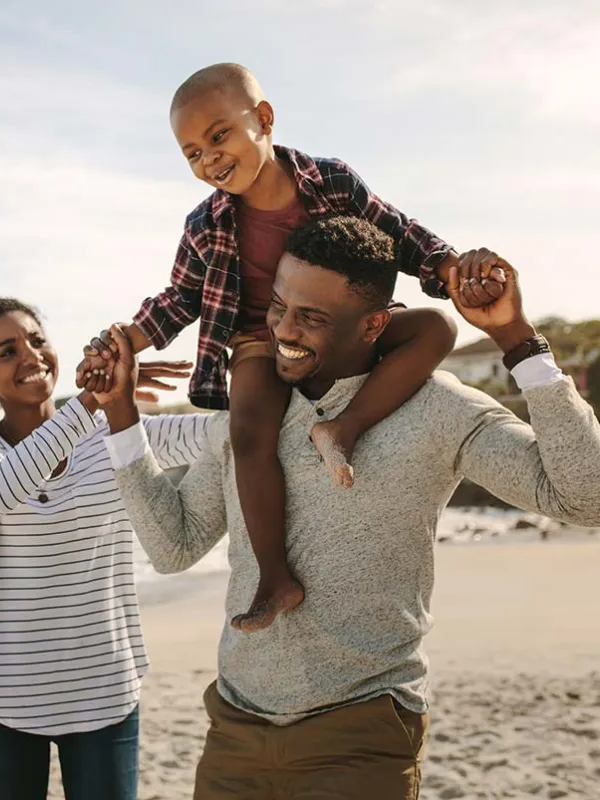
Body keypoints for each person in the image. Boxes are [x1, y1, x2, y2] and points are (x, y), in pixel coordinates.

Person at [94, 216, 600, 800]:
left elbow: (585, 496)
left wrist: (516, 339)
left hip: (363, 732)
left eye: (311, 318)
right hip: (236, 729)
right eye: (278, 306)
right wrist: (121, 419)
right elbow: (174, 546)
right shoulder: (249, 416)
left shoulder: (438, 411)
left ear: (374, 325)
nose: (283, 330)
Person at [77, 62, 504, 632]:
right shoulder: (205, 224)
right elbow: (180, 297)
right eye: (192, 154)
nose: (209, 160)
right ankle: (275, 579)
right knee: (248, 429)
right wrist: (124, 339)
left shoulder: (330, 181)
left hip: (340, 329)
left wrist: (452, 269)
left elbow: (400, 233)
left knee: (436, 331)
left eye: (219, 136)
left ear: (263, 119)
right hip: (259, 337)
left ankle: (343, 428)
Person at [0, 285, 209, 800]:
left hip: (106, 692)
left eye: (36, 340)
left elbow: (221, 435)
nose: (31, 356)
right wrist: (91, 402)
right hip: (8, 695)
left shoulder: (116, 433)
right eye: (8, 352)